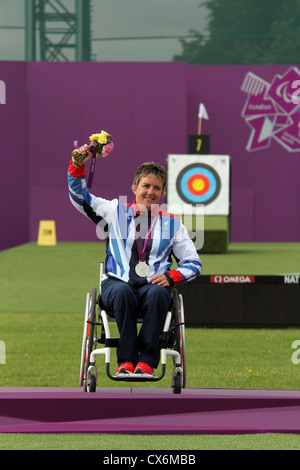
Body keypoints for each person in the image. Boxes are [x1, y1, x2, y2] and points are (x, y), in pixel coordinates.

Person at [68, 144, 202, 377]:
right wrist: (77, 167)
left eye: (157, 188)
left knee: (160, 293)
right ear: (134, 188)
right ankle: (126, 360)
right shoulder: (114, 211)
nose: (151, 192)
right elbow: (81, 199)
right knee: (123, 292)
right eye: (146, 186)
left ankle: (147, 362)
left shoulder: (173, 225)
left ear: (163, 193)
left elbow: (194, 264)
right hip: (116, 285)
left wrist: (172, 276)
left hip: (152, 288)